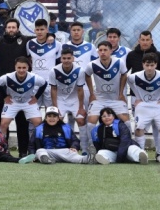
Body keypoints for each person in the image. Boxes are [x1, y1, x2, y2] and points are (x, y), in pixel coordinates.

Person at [0, 18, 34, 157]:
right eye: (9, 27)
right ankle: (3, 150)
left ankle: (23, 152)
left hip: (22, 89)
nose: (11, 29)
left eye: (14, 27)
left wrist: (51, 37)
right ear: (5, 29)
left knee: (22, 122)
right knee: (3, 122)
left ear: (18, 29)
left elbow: (42, 37)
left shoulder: (26, 40)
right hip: (4, 89)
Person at [62, 21, 99, 154]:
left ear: (83, 31)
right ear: (70, 32)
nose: (76, 32)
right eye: (73, 30)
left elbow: (95, 65)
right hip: (67, 88)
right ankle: (71, 147)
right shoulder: (64, 46)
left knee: (86, 117)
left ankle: (88, 147)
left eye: (78, 30)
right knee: (70, 117)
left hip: (85, 88)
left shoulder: (90, 47)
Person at [0, 56, 47, 151]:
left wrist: (36, 97)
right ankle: (1, 148)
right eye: (19, 68)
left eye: (24, 68)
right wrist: (5, 96)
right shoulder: (8, 77)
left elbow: (44, 84)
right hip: (13, 102)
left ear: (28, 67)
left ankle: (39, 148)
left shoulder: (34, 77)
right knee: (3, 124)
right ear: (15, 67)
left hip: (28, 102)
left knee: (38, 123)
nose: (21, 70)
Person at [127, 53, 160, 162]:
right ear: (143, 65)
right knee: (139, 129)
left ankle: (159, 154)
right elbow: (128, 80)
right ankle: (141, 153)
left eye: (152, 65)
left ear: (156, 65)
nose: (149, 68)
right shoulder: (135, 76)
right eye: (147, 65)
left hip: (158, 105)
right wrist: (137, 97)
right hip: (143, 105)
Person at [85, 41, 129, 129]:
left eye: (105, 50)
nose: (102, 52)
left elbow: (124, 75)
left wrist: (121, 94)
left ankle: (128, 142)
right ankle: (92, 142)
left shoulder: (119, 62)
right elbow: (87, 75)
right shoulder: (92, 65)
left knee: (127, 122)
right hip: (99, 99)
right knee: (90, 123)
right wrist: (91, 94)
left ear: (111, 51)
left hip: (116, 99)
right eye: (100, 50)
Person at [49, 49, 87, 146]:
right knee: (57, 120)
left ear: (73, 59)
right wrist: (55, 107)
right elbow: (53, 89)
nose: (66, 60)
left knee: (81, 120)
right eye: (64, 58)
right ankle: (61, 145)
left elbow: (80, 90)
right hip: (60, 99)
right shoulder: (54, 71)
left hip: (75, 99)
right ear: (61, 59)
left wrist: (81, 107)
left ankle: (84, 147)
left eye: (69, 58)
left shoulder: (80, 70)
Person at [26, 19, 62, 108]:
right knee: (34, 108)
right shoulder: (29, 44)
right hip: (35, 82)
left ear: (47, 30)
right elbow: (28, 61)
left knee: (50, 109)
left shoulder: (57, 44)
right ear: (34, 30)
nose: (39, 32)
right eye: (37, 30)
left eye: (42, 29)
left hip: (50, 82)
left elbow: (59, 63)